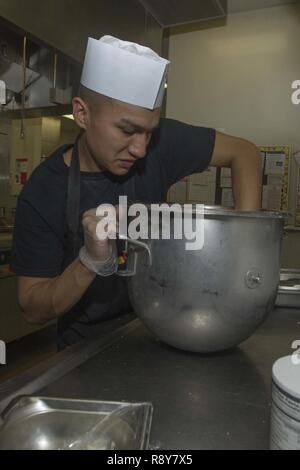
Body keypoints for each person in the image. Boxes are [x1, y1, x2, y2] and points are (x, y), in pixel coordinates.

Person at [11, 36, 262, 349]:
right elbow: (32, 308)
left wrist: (245, 248)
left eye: (149, 132)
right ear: (82, 113)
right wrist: (89, 261)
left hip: (160, 330)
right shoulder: (44, 190)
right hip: (86, 351)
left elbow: (246, 154)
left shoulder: (160, 146)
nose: (141, 149)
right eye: (127, 131)